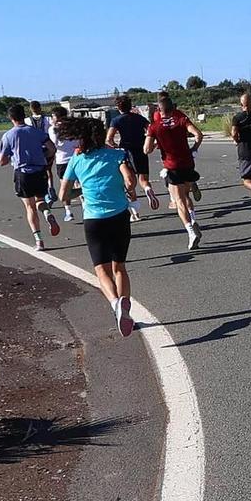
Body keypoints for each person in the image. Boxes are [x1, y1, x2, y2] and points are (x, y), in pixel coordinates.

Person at [60, 117, 146, 337]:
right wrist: (127, 187)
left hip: (94, 220)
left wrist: (83, 191)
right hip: (119, 216)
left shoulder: (76, 160)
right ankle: (124, 303)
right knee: (120, 266)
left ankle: (115, 303)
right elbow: (129, 179)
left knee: (101, 269)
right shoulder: (117, 155)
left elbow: (63, 195)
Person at [144, 91, 205, 249]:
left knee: (178, 201)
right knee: (186, 195)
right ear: (173, 107)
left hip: (172, 166)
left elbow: (146, 150)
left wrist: (158, 144)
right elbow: (198, 134)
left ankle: (190, 231)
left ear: (159, 109)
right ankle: (193, 218)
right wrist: (194, 148)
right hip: (188, 163)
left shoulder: (155, 126)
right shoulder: (181, 119)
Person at [0, 103, 56, 249]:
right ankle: (48, 213)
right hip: (39, 171)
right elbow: (52, 148)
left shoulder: (9, 135)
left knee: (30, 207)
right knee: (40, 200)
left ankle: (39, 240)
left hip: (23, 173)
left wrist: (14, 157)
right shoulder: (36, 132)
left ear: (11, 118)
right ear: (24, 116)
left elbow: (2, 161)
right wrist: (44, 156)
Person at [106, 94, 156, 220]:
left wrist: (115, 147)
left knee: (129, 182)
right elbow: (151, 130)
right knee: (143, 179)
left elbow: (109, 139)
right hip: (141, 148)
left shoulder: (116, 120)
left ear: (118, 107)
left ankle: (135, 213)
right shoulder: (139, 118)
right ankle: (148, 189)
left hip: (126, 151)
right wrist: (151, 143)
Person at [48, 106, 82, 223]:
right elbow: (79, 141)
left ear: (56, 117)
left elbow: (55, 144)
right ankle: (82, 206)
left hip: (63, 160)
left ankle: (68, 211)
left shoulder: (54, 129)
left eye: (52, 116)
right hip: (76, 157)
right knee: (78, 183)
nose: (51, 119)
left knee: (65, 187)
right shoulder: (74, 126)